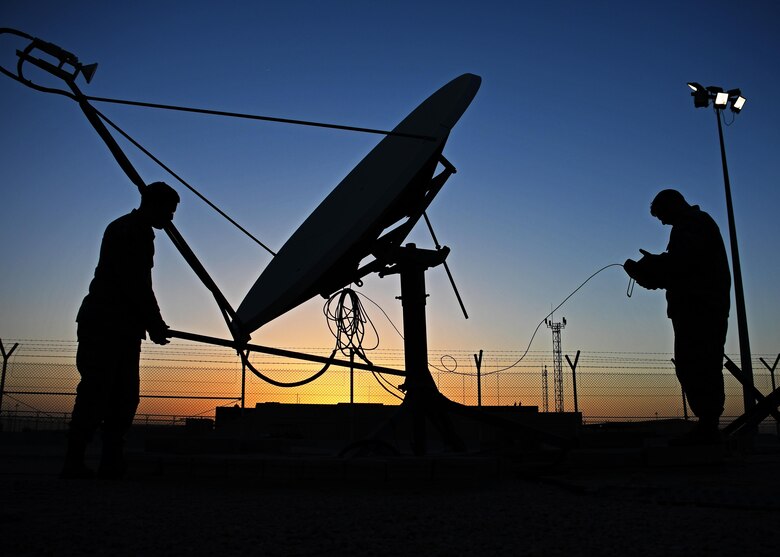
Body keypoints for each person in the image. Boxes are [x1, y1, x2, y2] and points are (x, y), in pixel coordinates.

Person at [61, 182, 180, 478]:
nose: (171, 219)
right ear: (155, 205)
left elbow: (137, 285)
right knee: (98, 392)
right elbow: (136, 283)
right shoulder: (133, 232)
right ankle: (77, 462)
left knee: (123, 396)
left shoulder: (132, 229)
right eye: (170, 211)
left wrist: (150, 323)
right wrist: (154, 322)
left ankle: (110, 462)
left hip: (122, 326)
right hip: (106, 324)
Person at [624, 189, 731, 445]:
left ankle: (708, 426)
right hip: (694, 307)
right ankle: (707, 425)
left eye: (662, 215)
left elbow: (683, 265)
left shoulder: (694, 224)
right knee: (694, 364)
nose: (661, 222)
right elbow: (679, 269)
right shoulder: (689, 227)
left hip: (701, 308)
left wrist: (651, 269)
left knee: (699, 363)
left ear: (673, 205)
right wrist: (653, 271)